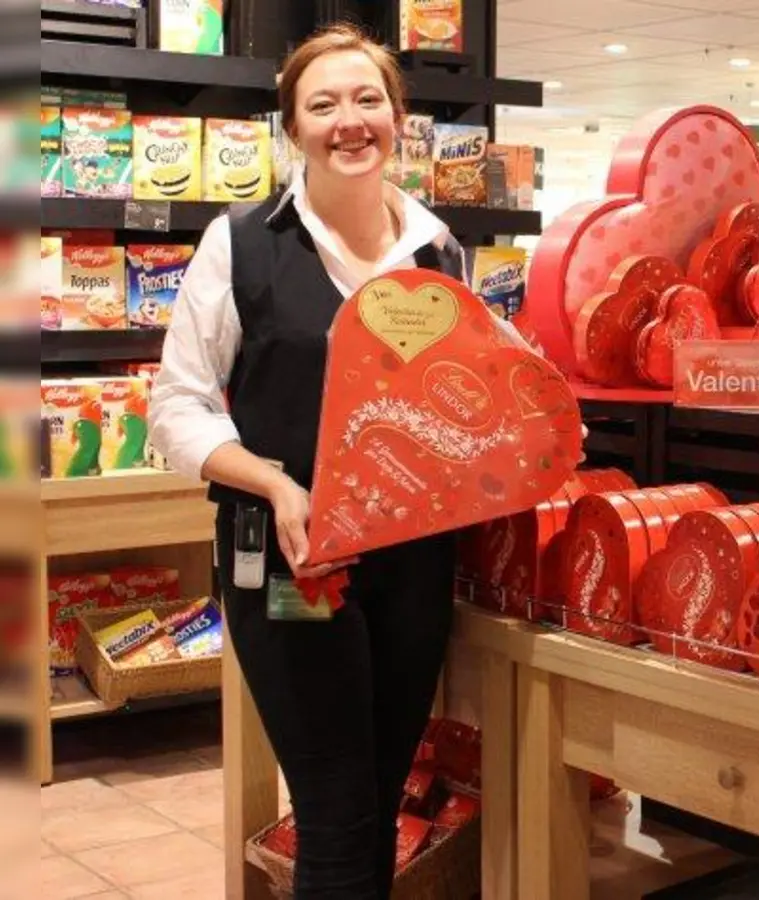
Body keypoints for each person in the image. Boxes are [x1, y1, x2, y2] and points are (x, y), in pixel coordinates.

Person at [149, 23, 516, 898]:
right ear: (292, 128)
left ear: (398, 116)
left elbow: (463, 398)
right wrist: (277, 484)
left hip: (413, 563)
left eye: (367, 100)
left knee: (380, 799)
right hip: (290, 564)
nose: (349, 121)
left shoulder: (440, 252)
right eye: (323, 105)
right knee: (338, 808)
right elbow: (177, 410)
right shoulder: (241, 244)